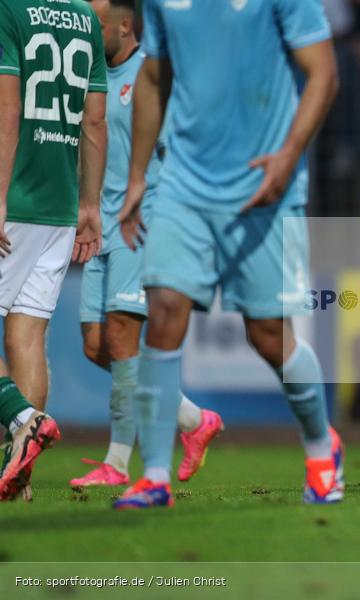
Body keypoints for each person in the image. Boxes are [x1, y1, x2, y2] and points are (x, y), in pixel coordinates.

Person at [114, 0, 343, 509]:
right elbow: (153, 77)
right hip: (183, 185)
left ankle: (320, 446)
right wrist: (138, 176)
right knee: (164, 309)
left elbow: (324, 73)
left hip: (265, 184)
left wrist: (289, 155)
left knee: (268, 334)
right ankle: (154, 476)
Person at [71, 0, 223, 490]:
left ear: (124, 25)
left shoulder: (152, 75)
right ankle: (194, 419)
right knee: (97, 346)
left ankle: (116, 463)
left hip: (142, 221)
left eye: (96, 25)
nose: (88, 33)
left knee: (121, 340)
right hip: (99, 224)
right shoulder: (89, 78)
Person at [0, 0, 106, 500]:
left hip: (15, 200)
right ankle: (18, 470)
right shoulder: (85, 18)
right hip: (61, 205)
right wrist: (90, 204)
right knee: (27, 337)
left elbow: (7, 109)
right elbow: (95, 121)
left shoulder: (9, 9)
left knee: (23, 337)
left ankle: (24, 419)